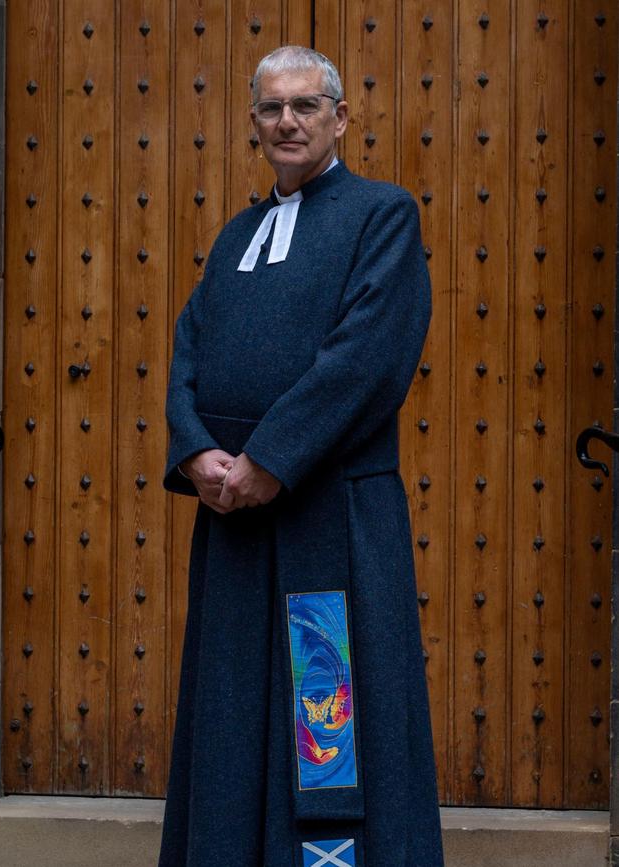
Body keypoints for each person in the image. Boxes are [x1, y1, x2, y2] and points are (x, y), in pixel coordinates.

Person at [157, 45, 444, 867]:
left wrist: (270, 459)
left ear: (340, 118)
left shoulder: (382, 214)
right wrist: (198, 453)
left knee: (329, 726)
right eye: (271, 108)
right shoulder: (236, 234)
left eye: (305, 106)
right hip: (236, 525)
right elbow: (189, 350)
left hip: (330, 521)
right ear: (253, 123)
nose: (287, 121)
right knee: (233, 713)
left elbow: (366, 358)